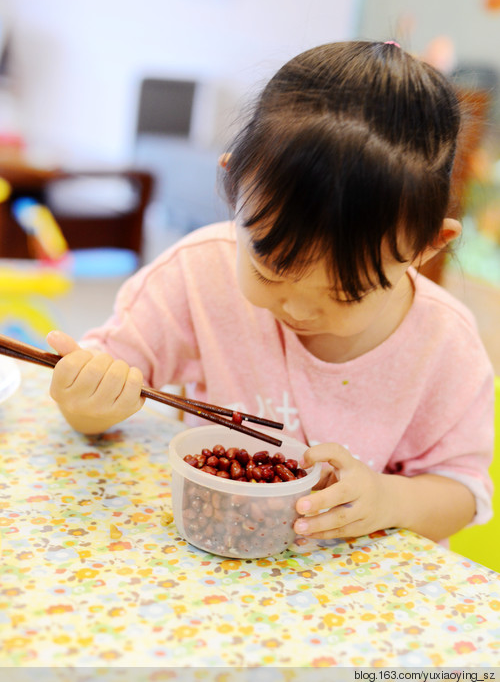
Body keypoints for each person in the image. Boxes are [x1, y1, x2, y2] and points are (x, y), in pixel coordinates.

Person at [48, 41, 494, 544]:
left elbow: (462, 491)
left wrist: (387, 499)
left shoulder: (444, 343)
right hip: (213, 558)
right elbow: (101, 386)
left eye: (346, 293)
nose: (298, 307)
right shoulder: (198, 275)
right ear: (235, 187)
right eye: (271, 268)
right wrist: (86, 400)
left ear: (427, 247)